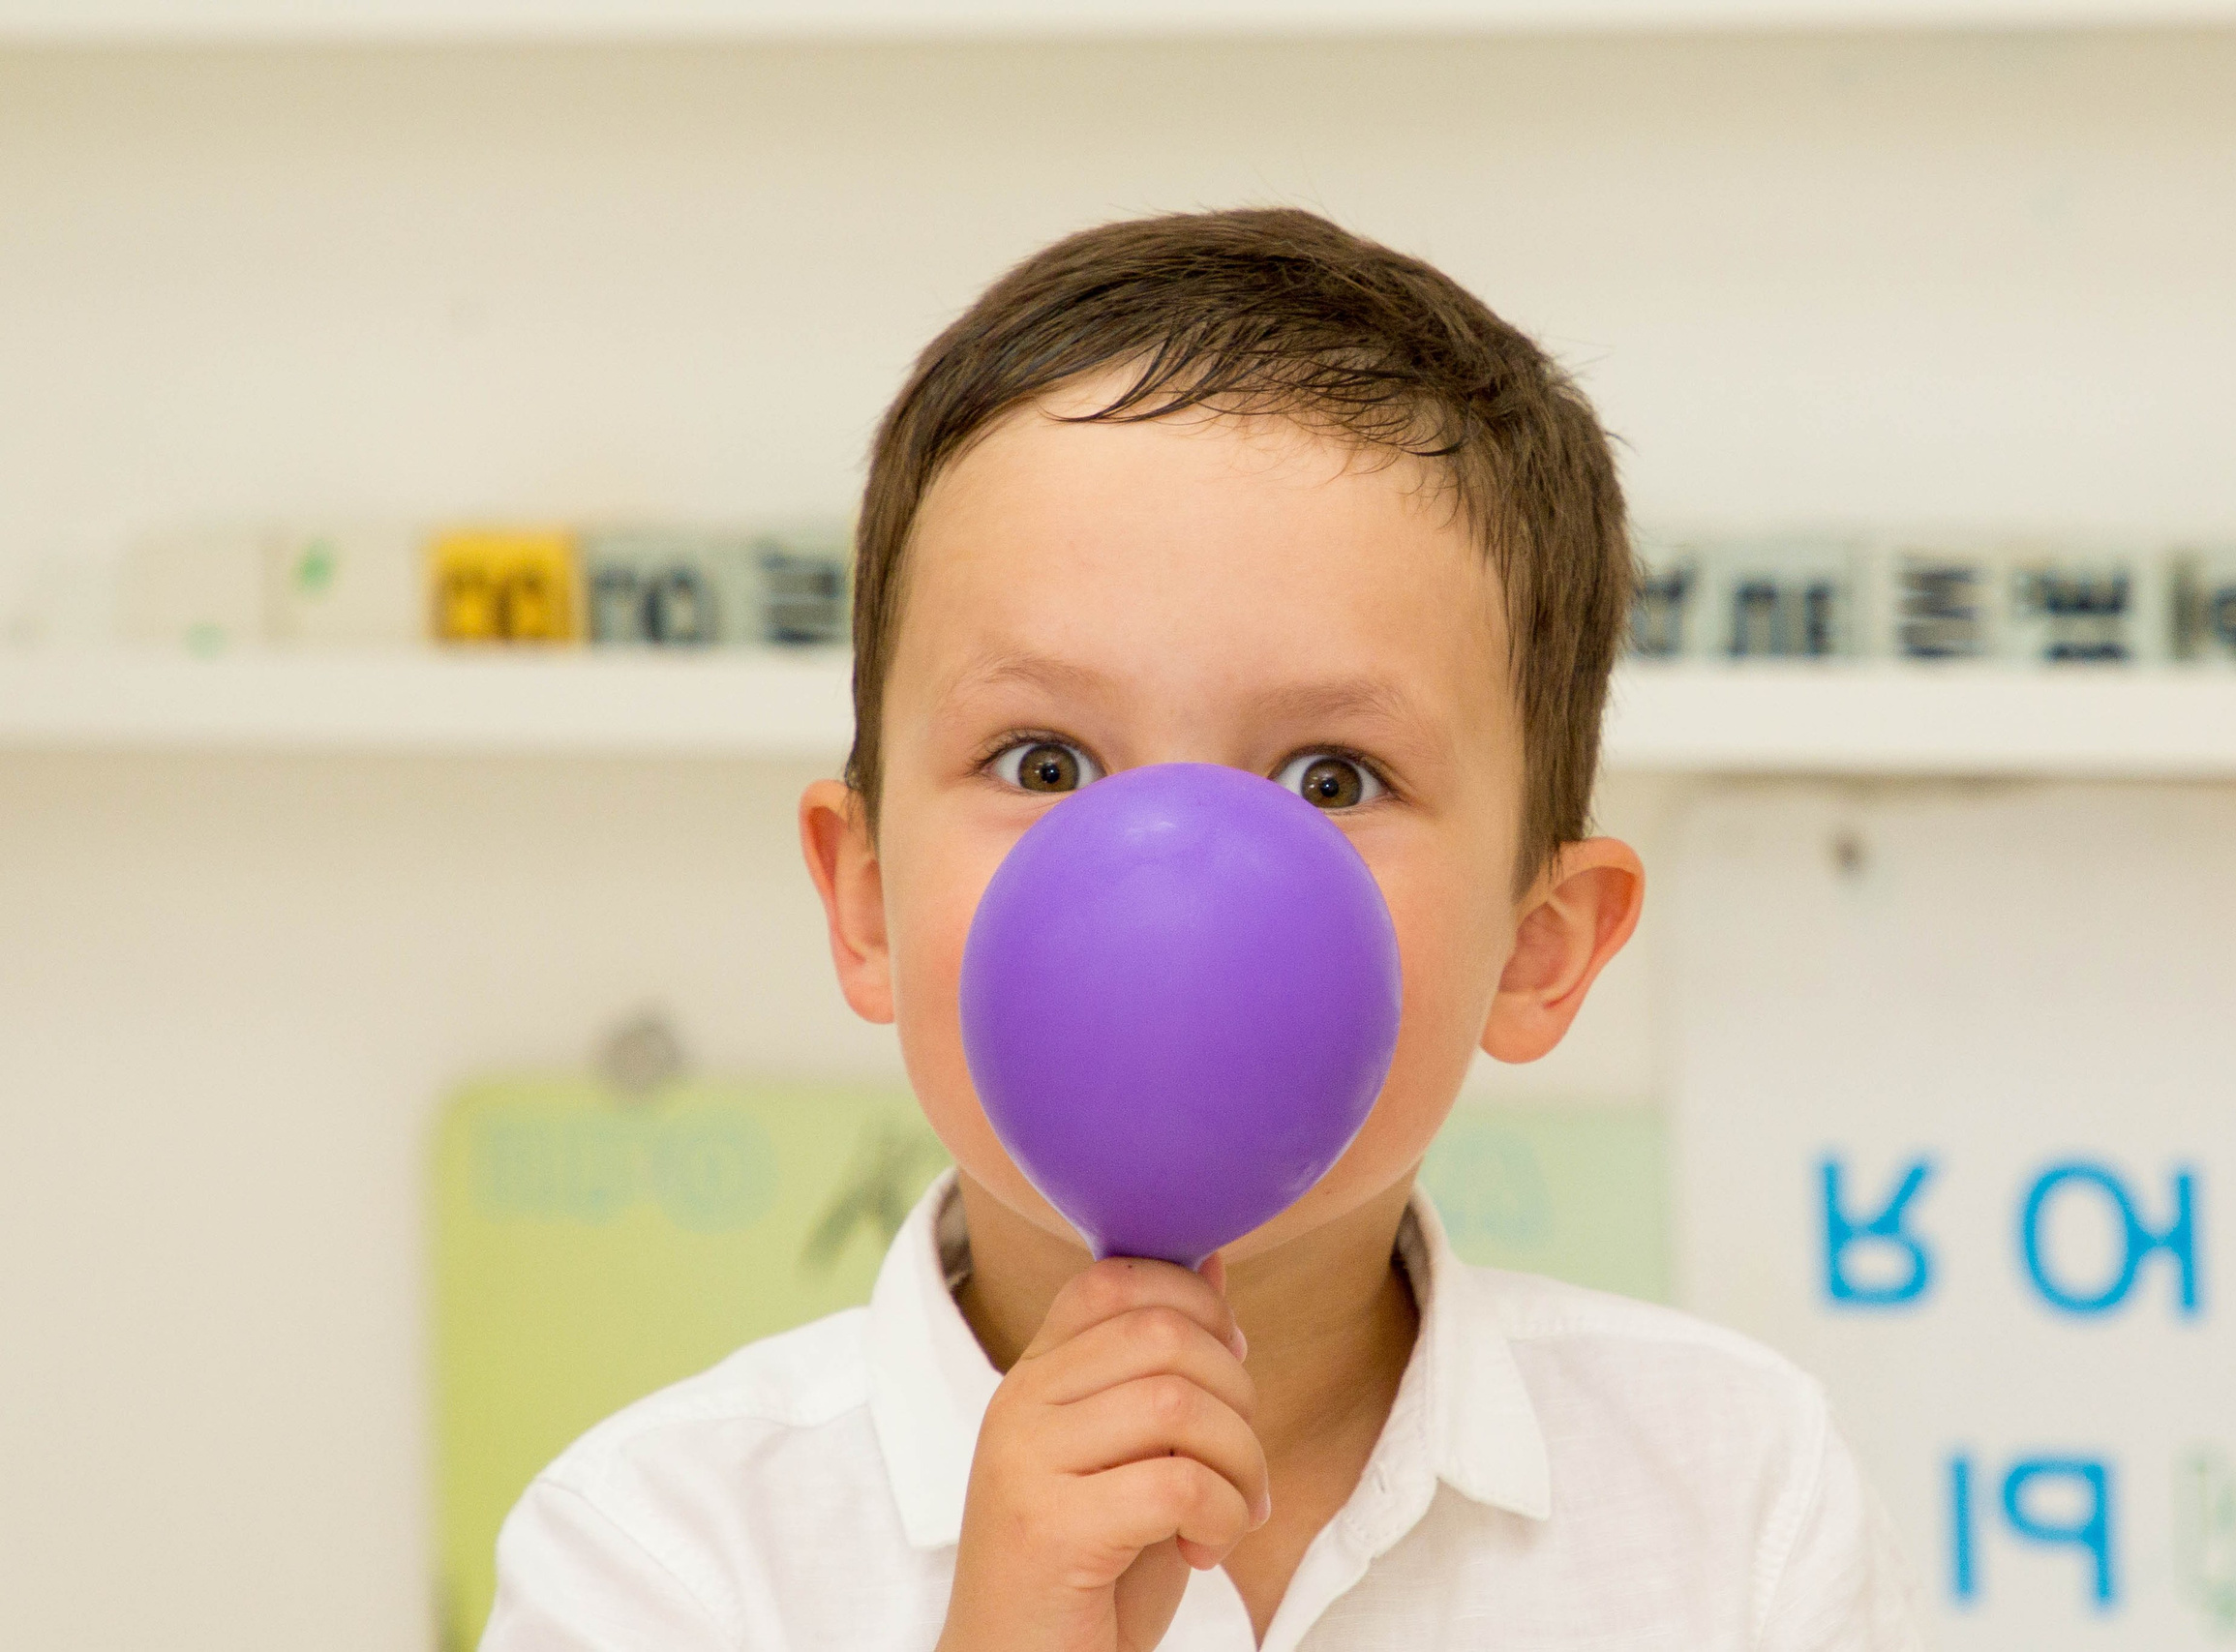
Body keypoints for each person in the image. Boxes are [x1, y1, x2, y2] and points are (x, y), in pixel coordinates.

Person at [481, 207, 1923, 1651]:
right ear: (864, 902)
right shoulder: (658, 1553)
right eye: (1045, 763)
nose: (1168, 890)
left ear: (1539, 947)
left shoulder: (1740, 1497)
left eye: (1331, 780)